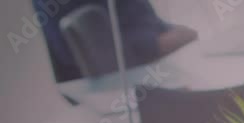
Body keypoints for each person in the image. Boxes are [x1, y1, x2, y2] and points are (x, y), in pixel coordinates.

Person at [34, 0, 197, 83]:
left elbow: (144, 18)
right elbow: (77, 51)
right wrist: (160, 43)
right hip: (122, 86)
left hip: (156, 69)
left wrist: (174, 33)